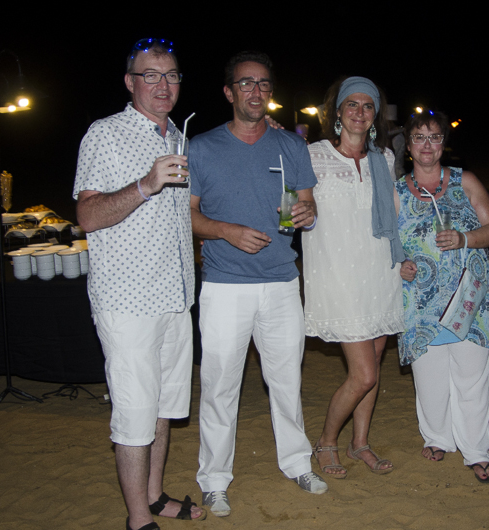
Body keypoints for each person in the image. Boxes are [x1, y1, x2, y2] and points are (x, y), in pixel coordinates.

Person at [188, 51, 327, 517]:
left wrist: (307, 214)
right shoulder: (202, 147)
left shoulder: (291, 145)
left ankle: (297, 463)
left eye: (264, 83)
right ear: (229, 92)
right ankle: (214, 480)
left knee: (286, 381)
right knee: (219, 386)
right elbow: (187, 215)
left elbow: (307, 205)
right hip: (225, 285)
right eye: (246, 83)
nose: (256, 91)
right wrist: (226, 231)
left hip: (282, 281)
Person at [73, 38, 205, 530]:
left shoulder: (178, 138)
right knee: (134, 414)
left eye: (171, 75)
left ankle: (152, 496)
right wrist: (146, 185)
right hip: (128, 301)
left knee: (164, 408)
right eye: (150, 75)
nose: (162, 84)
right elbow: (87, 215)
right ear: (130, 82)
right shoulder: (104, 134)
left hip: (176, 296)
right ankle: (137, 520)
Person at [302, 77, 405, 479]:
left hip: (381, 272)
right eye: (352, 104)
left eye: (368, 105)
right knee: (363, 374)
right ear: (337, 111)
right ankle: (326, 441)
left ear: (375, 115)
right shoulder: (313, 155)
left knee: (374, 364)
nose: (360, 112)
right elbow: (291, 202)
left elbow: (395, 214)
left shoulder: (384, 158)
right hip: (338, 277)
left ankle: (359, 442)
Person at [395, 111, 489, 483]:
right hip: (421, 303)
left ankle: (476, 451)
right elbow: (384, 247)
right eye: (419, 137)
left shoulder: (465, 181)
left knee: (472, 380)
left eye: (435, 137)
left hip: (468, 299)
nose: (427, 145)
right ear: (408, 146)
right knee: (430, 382)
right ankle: (437, 437)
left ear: (444, 143)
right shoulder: (396, 192)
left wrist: (464, 239)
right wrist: (398, 266)